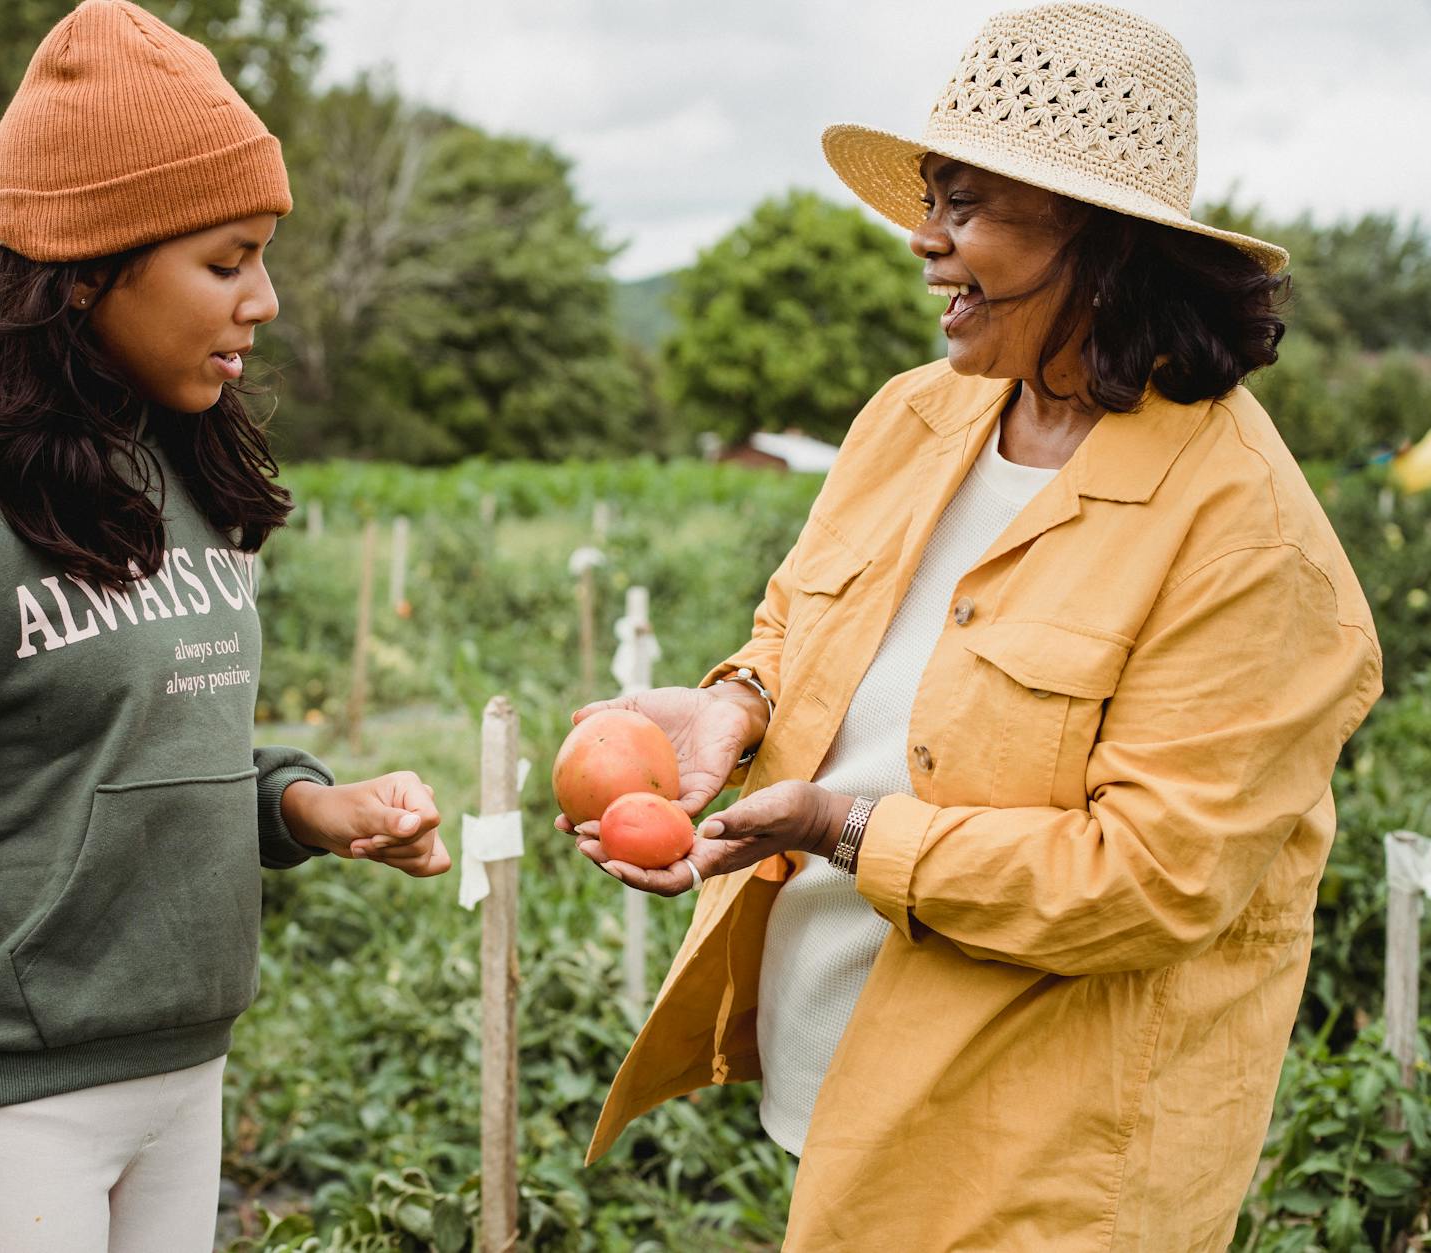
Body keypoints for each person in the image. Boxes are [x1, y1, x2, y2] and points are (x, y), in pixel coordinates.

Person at [567, 4, 1382, 1247]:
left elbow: (1150, 880)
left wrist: (841, 825)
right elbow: (801, 620)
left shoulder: (1248, 543)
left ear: (1104, 248)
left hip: (1039, 1159)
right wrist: (734, 702)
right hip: (841, 1074)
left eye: (964, 207)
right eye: (929, 200)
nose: (921, 240)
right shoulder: (914, 417)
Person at [0, 5, 450, 1251]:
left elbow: (119, 762)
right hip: (7, 1103)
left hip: (184, 1076)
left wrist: (302, 805)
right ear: (87, 268)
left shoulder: (179, 469)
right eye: (226, 261)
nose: (266, 301)